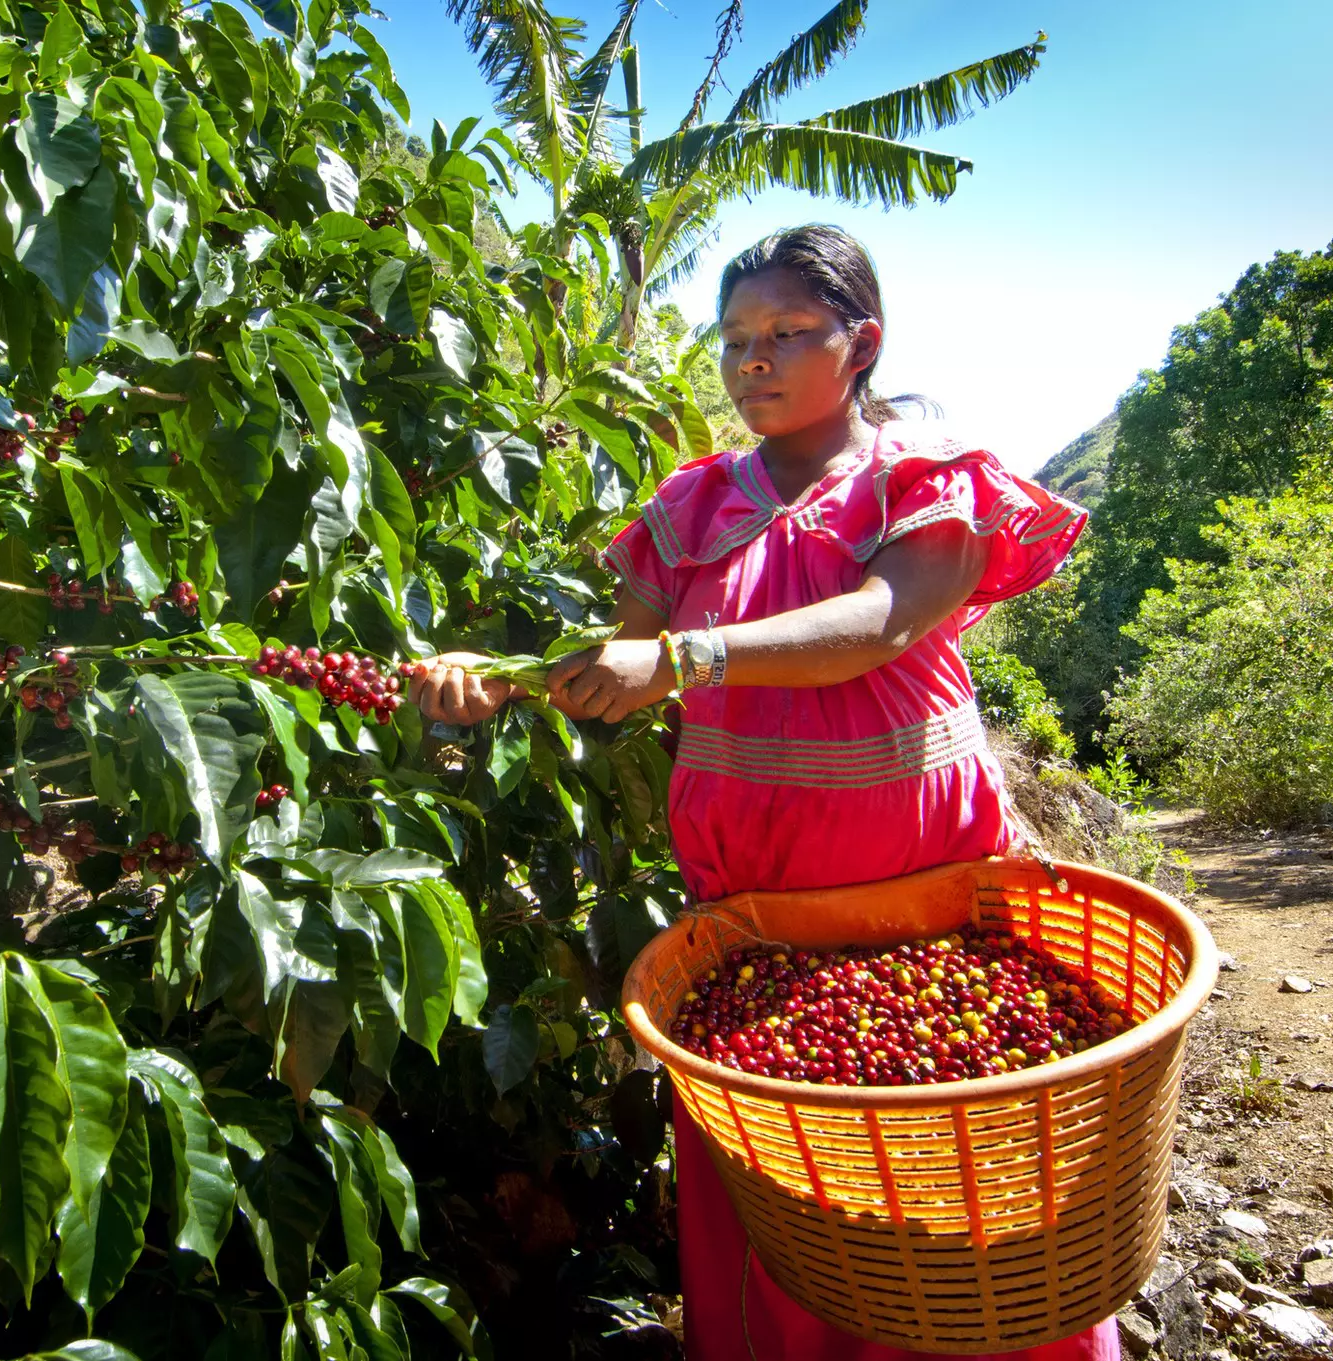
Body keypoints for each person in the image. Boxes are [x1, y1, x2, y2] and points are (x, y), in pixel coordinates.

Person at [408, 224, 1102, 1361]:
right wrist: (496, 685)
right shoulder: (691, 505)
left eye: (787, 333)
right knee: (788, 1164)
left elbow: (875, 624)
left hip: (923, 869)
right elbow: (611, 665)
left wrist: (687, 659)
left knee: (954, 1148)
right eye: (735, 338)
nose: (753, 361)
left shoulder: (923, 479)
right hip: (751, 884)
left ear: (861, 342)